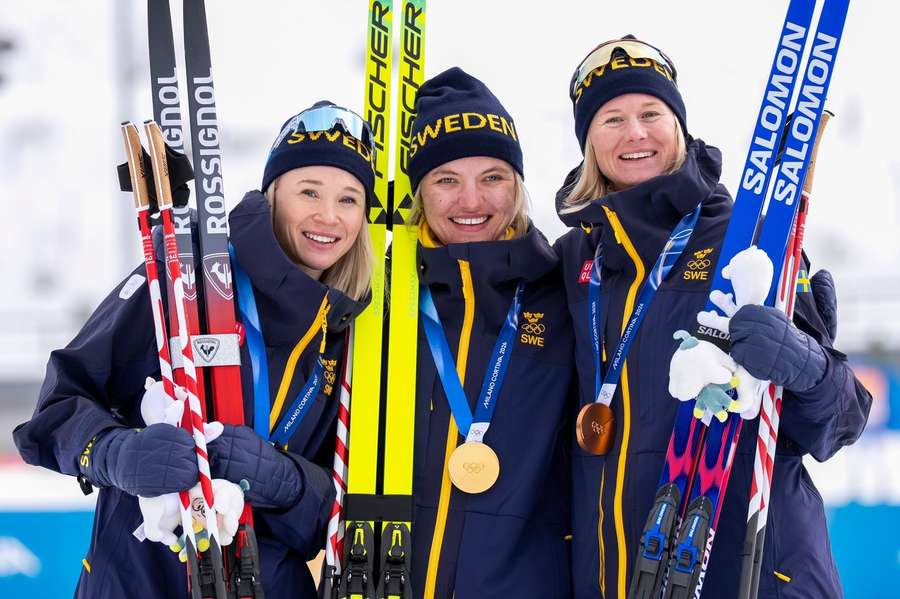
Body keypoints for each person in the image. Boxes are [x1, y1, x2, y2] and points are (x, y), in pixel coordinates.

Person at [13, 101, 374, 599]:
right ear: (273, 195)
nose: (327, 216)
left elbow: (339, 520)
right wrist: (113, 452)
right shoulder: (186, 278)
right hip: (140, 581)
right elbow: (57, 406)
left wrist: (286, 482)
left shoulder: (355, 331)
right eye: (308, 191)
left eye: (349, 199)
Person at [553, 37, 872, 598]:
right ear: (588, 141)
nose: (636, 133)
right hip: (628, 573)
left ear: (677, 125)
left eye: (652, 113)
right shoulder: (577, 260)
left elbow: (839, 421)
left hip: (751, 571)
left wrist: (809, 367)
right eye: (612, 118)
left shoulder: (746, 237)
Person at [405, 67, 574, 598]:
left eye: (493, 177)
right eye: (446, 179)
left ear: (519, 184)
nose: (472, 202)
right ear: (420, 192)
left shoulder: (566, 289)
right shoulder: (379, 302)